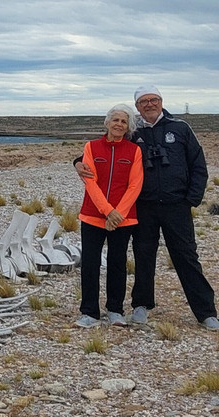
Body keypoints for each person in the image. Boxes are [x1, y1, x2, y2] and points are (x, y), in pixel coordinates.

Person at [75, 85, 218, 329]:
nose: (149, 104)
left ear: (161, 101)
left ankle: (206, 312)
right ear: (138, 107)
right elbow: (109, 145)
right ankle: (141, 305)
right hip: (144, 206)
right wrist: (77, 162)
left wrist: (191, 199)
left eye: (153, 100)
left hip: (176, 205)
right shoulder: (134, 131)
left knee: (186, 256)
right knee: (143, 256)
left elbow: (198, 164)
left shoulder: (180, 128)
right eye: (144, 101)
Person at [74, 104, 143, 328]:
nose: (119, 124)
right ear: (107, 123)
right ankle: (89, 312)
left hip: (123, 219)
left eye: (124, 121)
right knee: (90, 263)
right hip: (93, 215)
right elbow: (90, 181)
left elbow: (135, 185)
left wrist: (118, 214)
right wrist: (108, 211)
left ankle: (115, 309)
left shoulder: (134, 151)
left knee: (117, 263)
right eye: (115, 120)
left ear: (128, 127)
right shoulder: (91, 147)